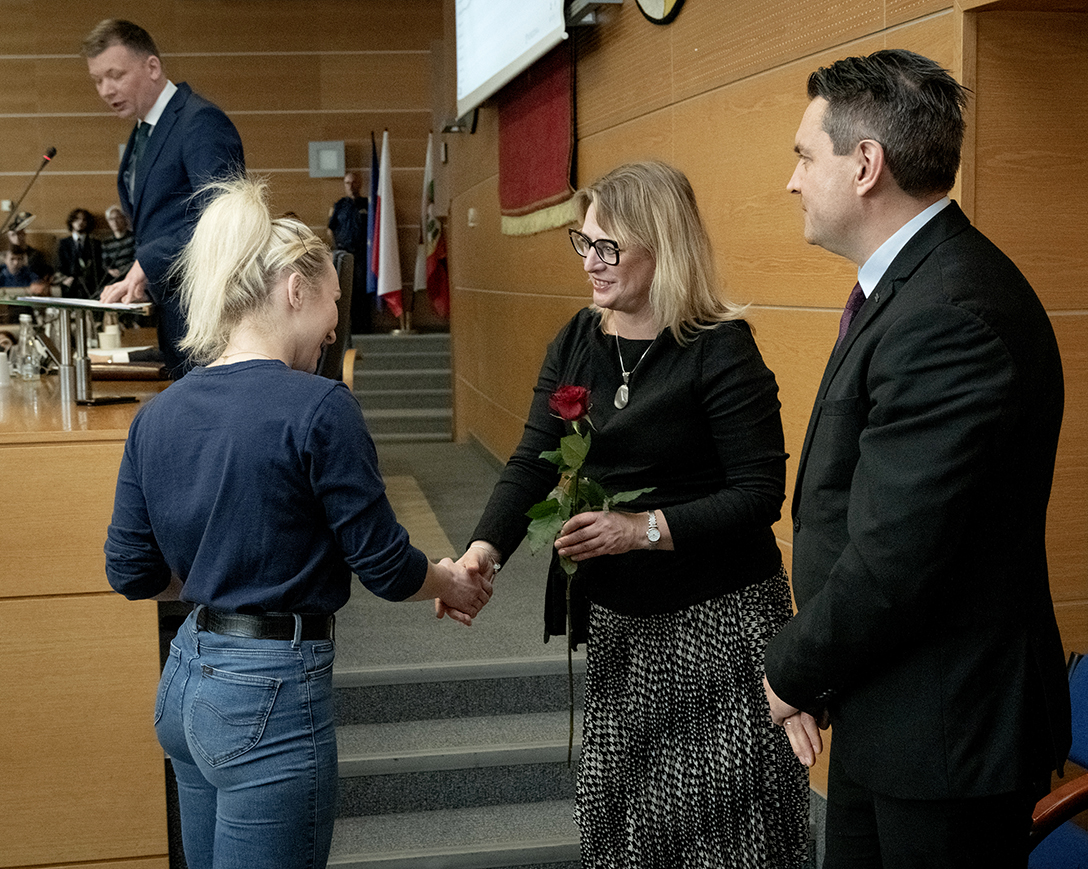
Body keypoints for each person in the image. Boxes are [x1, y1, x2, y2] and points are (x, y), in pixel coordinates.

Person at [104, 174, 493, 869]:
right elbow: (384, 566)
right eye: (333, 303)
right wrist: (450, 582)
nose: (335, 325)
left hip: (186, 681)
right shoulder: (320, 406)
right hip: (267, 693)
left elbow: (131, 572)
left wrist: (221, 575)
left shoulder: (156, 414)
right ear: (294, 289)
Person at [762, 49, 1071, 868]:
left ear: (866, 165)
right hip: (888, 702)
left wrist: (791, 670)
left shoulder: (951, 311)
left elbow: (896, 554)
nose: (792, 181)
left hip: (949, 732)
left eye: (804, 156)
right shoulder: (910, 285)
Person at [456, 161, 809, 868]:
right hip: (621, 625)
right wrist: (482, 552)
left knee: (723, 833)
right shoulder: (577, 340)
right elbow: (532, 460)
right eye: (583, 242)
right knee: (624, 827)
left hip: (718, 625)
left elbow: (757, 496)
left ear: (663, 246)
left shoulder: (720, 347)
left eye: (607, 247)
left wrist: (640, 529)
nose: (590, 261)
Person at [82, 18, 244, 377]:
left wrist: (148, 264)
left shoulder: (200, 121)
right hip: (172, 311)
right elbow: (161, 221)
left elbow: (226, 219)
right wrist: (143, 279)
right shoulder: (145, 132)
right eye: (97, 80)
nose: (106, 90)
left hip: (206, 317)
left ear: (152, 67)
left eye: (115, 75)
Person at [327, 170, 371, 333]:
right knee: (345, 291)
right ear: (344, 185)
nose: (351, 186)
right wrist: (337, 248)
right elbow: (330, 229)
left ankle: (363, 328)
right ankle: (347, 329)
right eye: (347, 183)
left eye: (354, 182)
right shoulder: (339, 205)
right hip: (344, 254)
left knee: (362, 291)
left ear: (360, 184)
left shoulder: (368, 204)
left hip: (362, 255)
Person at [56, 207, 104, 298]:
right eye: (77, 219)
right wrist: (65, 278)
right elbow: (60, 264)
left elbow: (97, 266)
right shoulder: (64, 243)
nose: (80, 222)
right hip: (69, 281)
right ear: (71, 222)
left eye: (84, 220)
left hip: (88, 283)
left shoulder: (94, 244)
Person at [6, 212, 54, 285]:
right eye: (13, 235)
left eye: (19, 233)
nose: (17, 237)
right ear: (9, 237)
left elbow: (43, 274)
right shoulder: (5, 256)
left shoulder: (35, 255)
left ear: (24, 234)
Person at [101, 204, 136, 281]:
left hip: (132, 274)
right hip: (115, 277)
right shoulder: (106, 242)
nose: (115, 222)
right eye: (111, 219)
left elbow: (137, 258)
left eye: (118, 218)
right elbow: (105, 262)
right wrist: (110, 270)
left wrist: (125, 270)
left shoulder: (133, 237)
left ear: (124, 219)